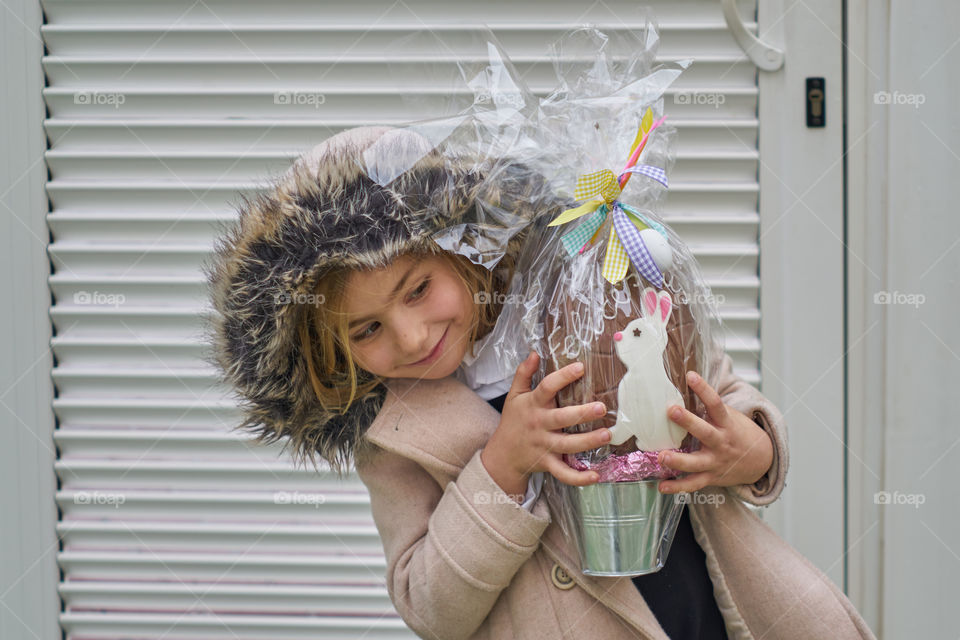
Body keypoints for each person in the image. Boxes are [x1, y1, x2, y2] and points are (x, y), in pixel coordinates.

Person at [207, 126, 876, 639]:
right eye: (366, 330)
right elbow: (430, 607)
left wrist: (747, 450)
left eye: (418, 289)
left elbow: (725, 398)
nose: (410, 338)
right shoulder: (393, 437)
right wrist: (499, 469)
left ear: (463, 250)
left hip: (717, 615)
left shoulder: (578, 302)